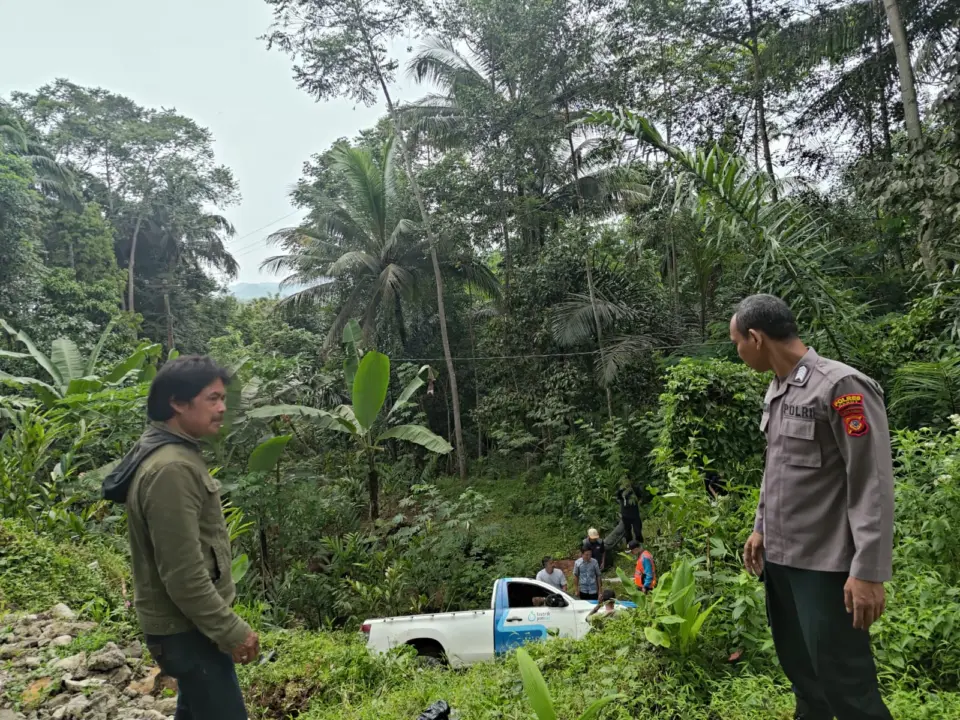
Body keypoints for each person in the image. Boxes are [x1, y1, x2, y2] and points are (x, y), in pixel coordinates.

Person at [732, 294, 894, 720]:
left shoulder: (841, 387)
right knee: (804, 677)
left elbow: (872, 482)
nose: (738, 352)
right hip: (782, 563)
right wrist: (760, 526)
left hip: (826, 568)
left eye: (737, 343)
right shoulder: (778, 388)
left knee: (848, 687)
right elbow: (778, 468)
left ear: (755, 338)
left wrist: (868, 571)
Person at [102, 356, 258, 720]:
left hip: (189, 628)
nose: (222, 408)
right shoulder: (171, 467)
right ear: (177, 402)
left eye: (223, 398)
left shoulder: (172, 453)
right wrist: (231, 629)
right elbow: (183, 574)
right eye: (212, 398)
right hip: (189, 631)